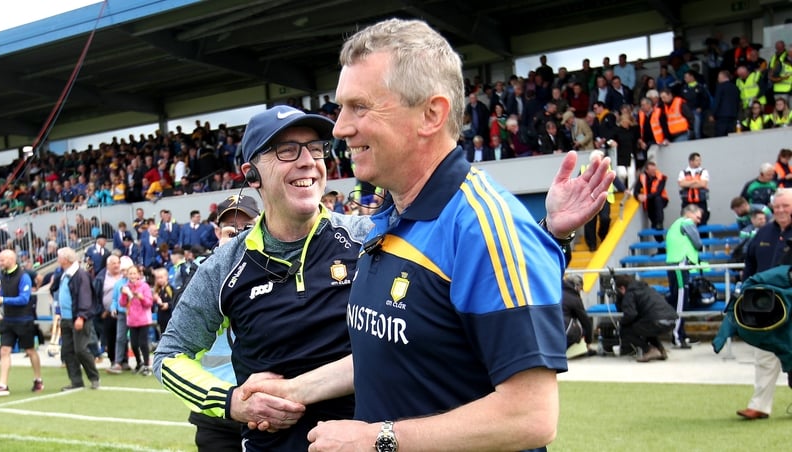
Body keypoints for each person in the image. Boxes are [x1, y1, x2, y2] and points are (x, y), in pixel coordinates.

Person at [241, 19, 615, 452]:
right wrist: (297, 390)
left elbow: (530, 416)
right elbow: (394, 350)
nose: (340, 128)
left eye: (359, 107)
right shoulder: (390, 216)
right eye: (342, 107)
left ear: (430, 115)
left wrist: (377, 439)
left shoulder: (481, 225)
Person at [153, 105, 377, 450]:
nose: (308, 161)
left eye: (315, 149)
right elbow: (169, 356)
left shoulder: (368, 239)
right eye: (287, 150)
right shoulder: (224, 266)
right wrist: (230, 401)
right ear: (252, 174)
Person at [736, 188, 792, 419]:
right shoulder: (763, 233)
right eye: (777, 206)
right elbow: (749, 262)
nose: (780, 210)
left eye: (785, 206)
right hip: (767, 306)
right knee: (764, 354)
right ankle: (759, 406)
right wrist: (745, 287)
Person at [0, 250, 42, 396]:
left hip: (24, 320)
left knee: (30, 350)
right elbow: (2, 294)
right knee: (4, 351)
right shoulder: (3, 275)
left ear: (11, 259)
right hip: (7, 320)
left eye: (2, 260)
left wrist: (2, 300)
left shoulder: (24, 276)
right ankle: (3, 385)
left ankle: (38, 379)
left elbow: (24, 299)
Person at [55, 247, 101, 390]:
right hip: (66, 318)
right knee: (67, 351)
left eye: (59, 257)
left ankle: (94, 377)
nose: (57, 260)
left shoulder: (80, 275)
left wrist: (81, 316)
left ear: (65, 259)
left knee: (80, 349)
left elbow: (85, 297)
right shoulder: (65, 274)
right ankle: (76, 381)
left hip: (78, 318)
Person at [613, 274, 677, 362]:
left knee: (625, 330)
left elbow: (630, 315)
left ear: (622, 288)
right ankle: (660, 350)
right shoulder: (647, 288)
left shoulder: (629, 294)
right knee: (645, 326)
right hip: (671, 320)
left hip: (657, 320)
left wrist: (621, 323)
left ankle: (649, 349)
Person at [665, 204, 703, 349]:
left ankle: (682, 334)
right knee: (681, 302)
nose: (698, 221)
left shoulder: (675, 225)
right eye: (697, 217)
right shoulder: (686, 222)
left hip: (674, 265)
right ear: (688, 214)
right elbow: (698, 243)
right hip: (680, 266)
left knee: (677, 301)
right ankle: (677, 336)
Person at [119, 265, 153, 376]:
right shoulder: (126, 287)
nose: (133, 276)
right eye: (130, 273)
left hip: (143, 320)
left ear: (139, 274)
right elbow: (122, 303)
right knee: (133, 344)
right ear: (127, 275)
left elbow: (149, 303)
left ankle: (147, 365)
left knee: (143, 343)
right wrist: (124, 294)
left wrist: (141, 297)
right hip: (132, 320)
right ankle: (139, 363)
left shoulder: (144, 286)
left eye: (134, 273)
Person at [561, 274, 596, 358]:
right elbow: (586, 322)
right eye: (580, 289)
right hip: (564, 331)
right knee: (583, 327)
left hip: (549, 330)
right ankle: (586, 348)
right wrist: (588, 341)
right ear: (576, 287)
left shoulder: (556, 291)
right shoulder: (574, 298)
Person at [633, 161, 669, 233]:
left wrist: (646, 196)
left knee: (657, 200)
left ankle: (660, 223)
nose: (654, 172)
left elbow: (658, 192)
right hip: (649, 201)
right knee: (653, 223)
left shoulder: (662, 177)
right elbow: (635, 191)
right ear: (647, 170)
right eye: (652, 170)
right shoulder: (642, 177)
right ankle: (659, 240)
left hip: (661, 199)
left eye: (655, 170)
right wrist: (638, 196)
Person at [678, 152, 710, 225]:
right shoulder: (683, 172)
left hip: (700, 201)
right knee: (686, 220)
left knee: (702, 221)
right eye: (697, 160)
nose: (699, 162)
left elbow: (703, 184)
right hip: (687, 202)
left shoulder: (703, 171)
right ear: (691, 161)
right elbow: (682, 184)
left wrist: (688, 183)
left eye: (700, 160)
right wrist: (695, 181)